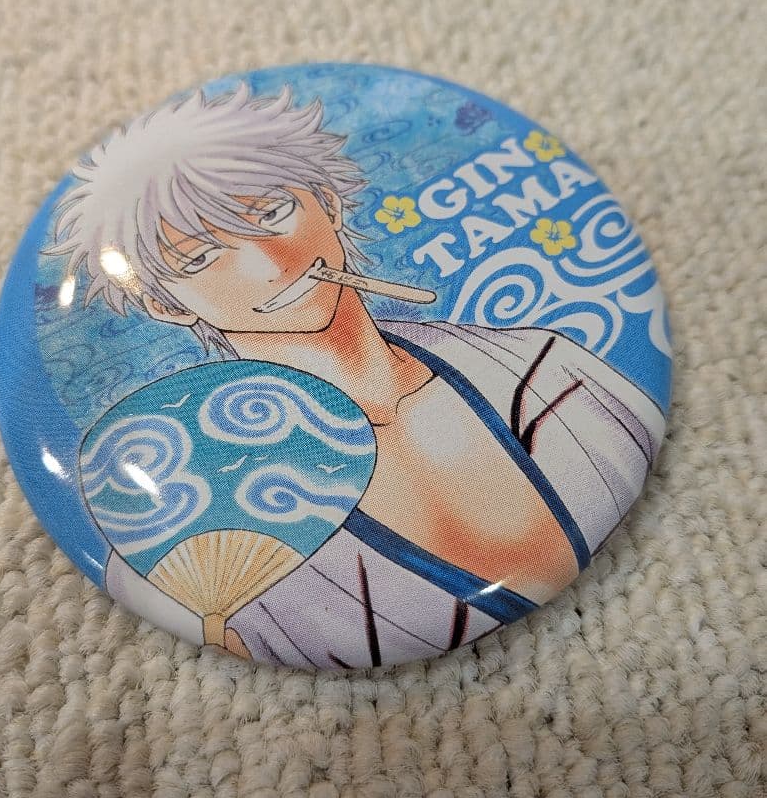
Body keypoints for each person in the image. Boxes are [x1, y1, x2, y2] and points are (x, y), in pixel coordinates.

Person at [50, 82, 666, 667]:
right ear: (164, 304)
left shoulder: (544, 369)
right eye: (202, 257)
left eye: (274, 212)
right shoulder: (179, 523)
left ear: (328, 202)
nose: (269, 264)